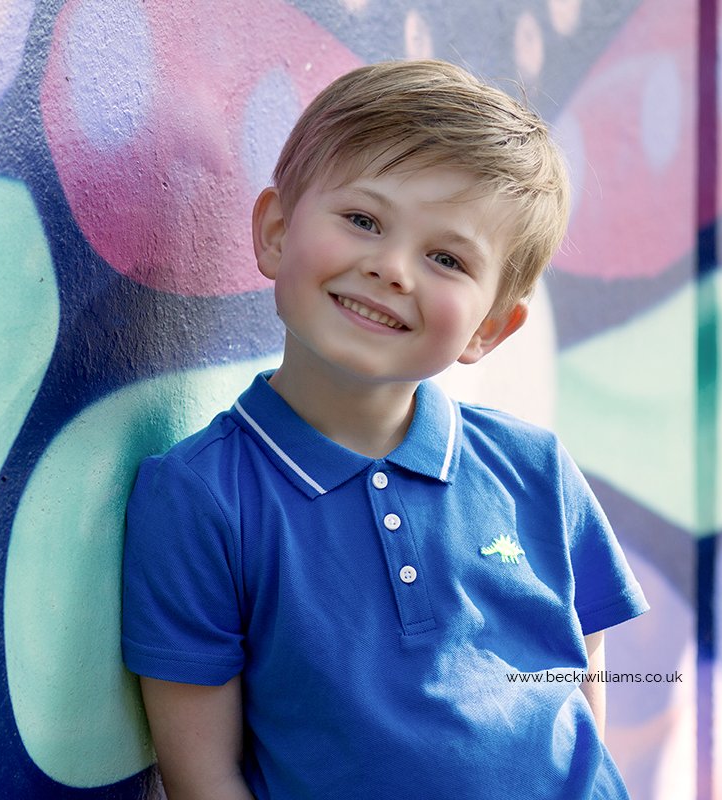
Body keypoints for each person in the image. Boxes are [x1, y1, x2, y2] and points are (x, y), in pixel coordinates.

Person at [121, 59, 649, 799]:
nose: (393, 269)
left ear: (491, 327)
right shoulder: (201, 498)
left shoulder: (535, 469)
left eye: (446, 258)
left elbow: (580, 679)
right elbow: (202, 776)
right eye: (364, 221)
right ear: (276, 231)